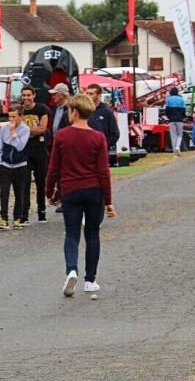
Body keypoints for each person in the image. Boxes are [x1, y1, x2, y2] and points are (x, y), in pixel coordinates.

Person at [45, 94, 116, 298]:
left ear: (75, 112)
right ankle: (90, 280)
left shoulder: (62, 136)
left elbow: (54, 167)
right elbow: (104, 171)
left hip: (70, 189)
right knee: (92, 234)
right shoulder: (98, 137)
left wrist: (50, 191)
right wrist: (108, 201)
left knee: (72, 233)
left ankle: (71, 270)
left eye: (69, 111)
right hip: (94, 190)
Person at [19, 85, 50, 224]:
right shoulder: (19, 110)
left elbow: (42, 129)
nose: (26, 98)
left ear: (34, 95)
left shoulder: (42, 109)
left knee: (40, 183)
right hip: (24, 150)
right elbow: (15, 129)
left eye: (28, 95)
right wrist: (32, 131)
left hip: (40, 150)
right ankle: (24, 214)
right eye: (24, 95)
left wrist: (25, 131)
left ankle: (41, 211)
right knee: (24, 183)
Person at [0, 105, 29, 230]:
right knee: (4, 192)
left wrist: (13, 133)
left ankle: (17, 218)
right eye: (10, 117)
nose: (11, 119)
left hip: (19, 165)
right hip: (5, 165)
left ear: (21, 116)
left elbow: (20, 146)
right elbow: (0, 146)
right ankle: (3, 218)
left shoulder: (25, 129)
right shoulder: (4, 128)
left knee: (19, 192)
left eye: (14, 116)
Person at [85, 84, 120, 151]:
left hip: (101, 150)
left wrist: (103, 145)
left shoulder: (107, 111)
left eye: (91, 94)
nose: (88, 96)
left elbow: (115, 134)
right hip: (85, 150)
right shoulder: (83, 110)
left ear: (99, 95)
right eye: (87, 93)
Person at [165, 87, 186, 158]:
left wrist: (169, 117)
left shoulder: (169, 100)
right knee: (180, 135)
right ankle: (178, 146)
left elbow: (167, 110)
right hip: (179, 119)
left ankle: (175, 154)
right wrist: (182, 117)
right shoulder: (181, 99)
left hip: (171, 119)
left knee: (173, 136)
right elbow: (184, 111)